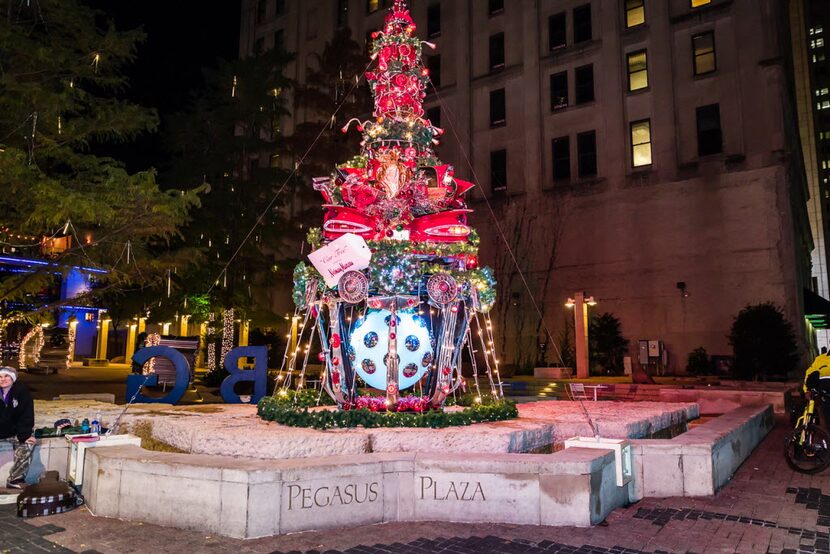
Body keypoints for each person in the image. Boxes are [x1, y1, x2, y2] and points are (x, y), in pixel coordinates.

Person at [0, 366, 35, 489]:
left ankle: (15, 480)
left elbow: (26, 415)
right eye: (0, 376)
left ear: (13, 378)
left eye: (6, 376)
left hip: (14, 433)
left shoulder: (21, 392)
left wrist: (25, 435)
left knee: (28, 444)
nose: (3, 379)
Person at [804, 350, 830, 427]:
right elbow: (809, 375)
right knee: (826, 423)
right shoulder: (820, 359)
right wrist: (807, 390)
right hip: (825, 398)